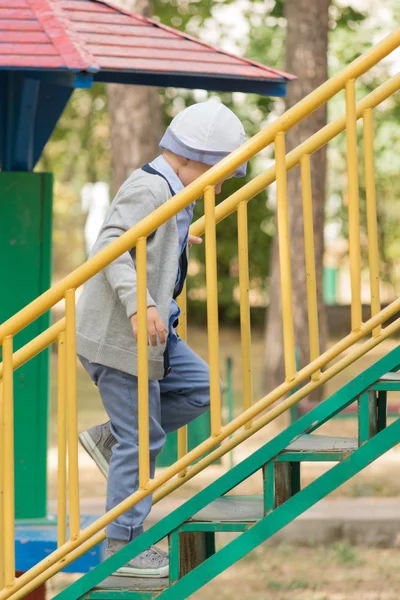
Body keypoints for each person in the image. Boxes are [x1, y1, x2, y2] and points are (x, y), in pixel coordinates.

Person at [76, 101, 247, 578]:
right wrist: (141, 303)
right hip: (121, 335)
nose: (216, 185)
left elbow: (148, 239)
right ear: (189, 158)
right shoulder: (150, 187)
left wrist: (175, 238)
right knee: (143, 439)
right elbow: (111, 243)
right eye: (216, 174)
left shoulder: (176, 193)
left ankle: (110, 438)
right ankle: (121, 550)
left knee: (198, 389)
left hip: (154, 336)